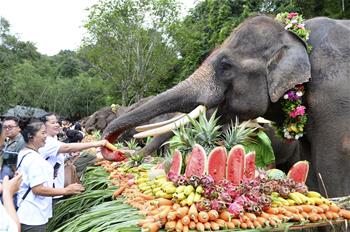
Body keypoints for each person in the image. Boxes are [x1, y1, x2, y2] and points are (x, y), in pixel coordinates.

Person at [16, 120, 84, 231]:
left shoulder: (25, 152)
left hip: (29, 212)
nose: (46, 136)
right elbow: (37, 189)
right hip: (33, 216)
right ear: (31, 136)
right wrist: (66, 190)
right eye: (42, 133)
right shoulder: (34, 159)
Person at [38, 113, 107, 202]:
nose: (57, 125)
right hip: (48, 190)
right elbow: (68, 147)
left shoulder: (53, 139)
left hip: (55, 188)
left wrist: (68, 155)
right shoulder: (47, 141)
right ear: (43, 126)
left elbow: (60, 153)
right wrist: (95, 143)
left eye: (57, 122)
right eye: (53, 123)